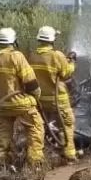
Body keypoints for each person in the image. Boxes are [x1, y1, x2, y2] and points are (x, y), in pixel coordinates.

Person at [0, 27, 45, 166]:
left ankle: (0, 161)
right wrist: (36, 97)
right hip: (20, 103)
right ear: (13, 41)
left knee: (2, 134)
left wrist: (0, 98)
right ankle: (35, 161)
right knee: (36, 126)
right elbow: (30, 81)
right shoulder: (16, 56)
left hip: (2, 104)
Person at [28, 26, 78, 161]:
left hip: (41, 102)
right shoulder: (57, 55)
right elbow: (66, 73)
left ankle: (47, 152)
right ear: (52, 40)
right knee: (67, 124)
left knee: (45, 126)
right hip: (59, 100)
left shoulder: (32, 56)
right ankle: (69, 154)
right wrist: (72, 61)